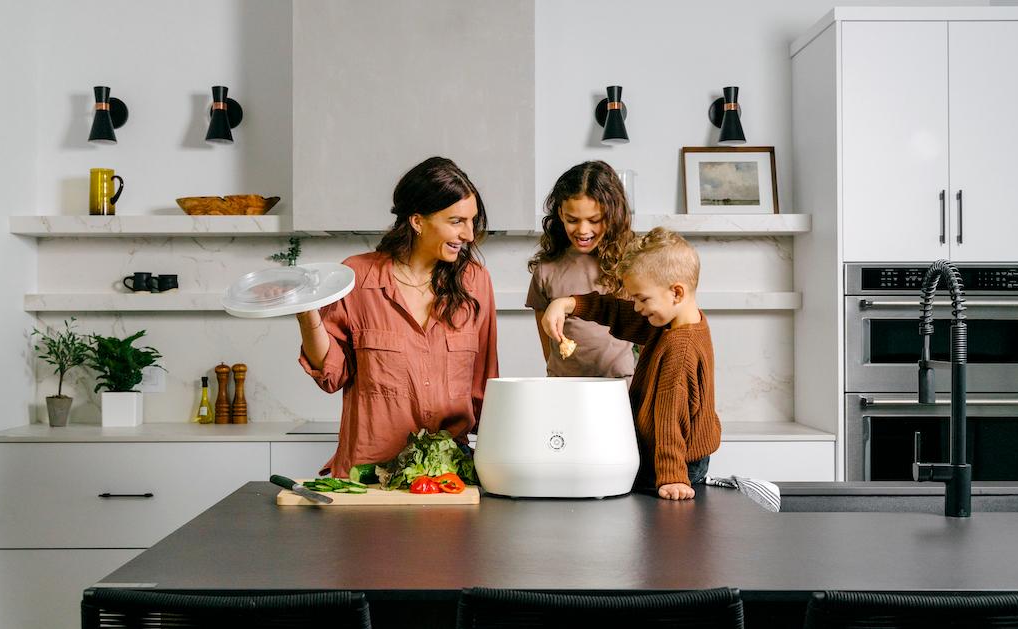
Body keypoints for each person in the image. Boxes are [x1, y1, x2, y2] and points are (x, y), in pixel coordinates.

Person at [297, 157, 499, 477]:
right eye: (456, 221)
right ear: (418, 221)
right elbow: (331, 375)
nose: (469, 234)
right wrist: (307, 314)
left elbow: (486, 386)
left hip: (449, 473)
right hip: (371, 473)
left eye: (472, 221)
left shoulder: (476, 282)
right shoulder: (357, 276)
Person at [540, 227, 720, 500]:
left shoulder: (679, 348)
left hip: (672, 463)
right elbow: (618, 312)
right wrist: (568, 304)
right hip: (671, 456)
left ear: (677, 292)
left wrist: (672, 477)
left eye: (642, 298)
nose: (637, 307)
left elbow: (670, 418)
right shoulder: (673, 322)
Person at [525, 161, 635, 378]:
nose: (583, 230)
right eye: (572, 220)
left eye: (594, 220)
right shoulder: (547, 270)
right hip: (564, 388)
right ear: (560, 213)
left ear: (612, 214)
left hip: (620, 387)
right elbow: (548, 346)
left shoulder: (629, 262)